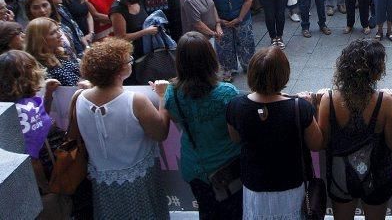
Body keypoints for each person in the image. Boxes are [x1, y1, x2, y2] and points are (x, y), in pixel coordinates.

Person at [76, 38, 170, 218]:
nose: (131, 62)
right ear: (118, 71)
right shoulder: (135, 100)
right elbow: (160, 133)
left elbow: (74, 134)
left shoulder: (79, 97)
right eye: (129, 60)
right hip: (139, 179)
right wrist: (163, 97)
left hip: (101, 179)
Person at [226, 47, 324, 219]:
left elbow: (235, 139)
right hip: (291, 186)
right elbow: (316, 144)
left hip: (254, 187)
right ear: (284, 74)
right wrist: (314, 106)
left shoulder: (235, 106)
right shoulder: (300, 108)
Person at [317, 39, 392, 219]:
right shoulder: (385, 102)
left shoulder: (328, 100)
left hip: (340, 177)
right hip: (376, 177)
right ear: (376, 72)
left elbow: (322, 142)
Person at [163, 32, 242, 218]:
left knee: (206, 211)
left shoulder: (172, 94)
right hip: (228, 169)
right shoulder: (227, 93)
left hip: (195, 169)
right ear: (210, 58)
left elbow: (175, 120)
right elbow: (236, 132)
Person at [0, 50, 63, 217]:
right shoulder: (22, 111)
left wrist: (48, 95)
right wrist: (46, 187)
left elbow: (41, 119)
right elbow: (33, 157)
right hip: (39, 176)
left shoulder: (20, 104)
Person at [207, 0, 255, 81]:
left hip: (241, 17)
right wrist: (218, 21)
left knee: (246, 43)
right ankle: (227, 69)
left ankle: (249, 65)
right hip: (221, 20)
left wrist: (239, 18)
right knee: (224, 47)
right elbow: (210, 3)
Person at [110, 0, 158, 80]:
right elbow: (121, 37)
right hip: (131, 53)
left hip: (146, 48)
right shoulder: (117, 10)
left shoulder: (137, 1)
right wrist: (145, 32)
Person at [26, 17, 83, 88]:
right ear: (40, 40)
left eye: (58, 30)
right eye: (53, 33)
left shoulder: (58, 56)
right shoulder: (39, 68)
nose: (59, 35)